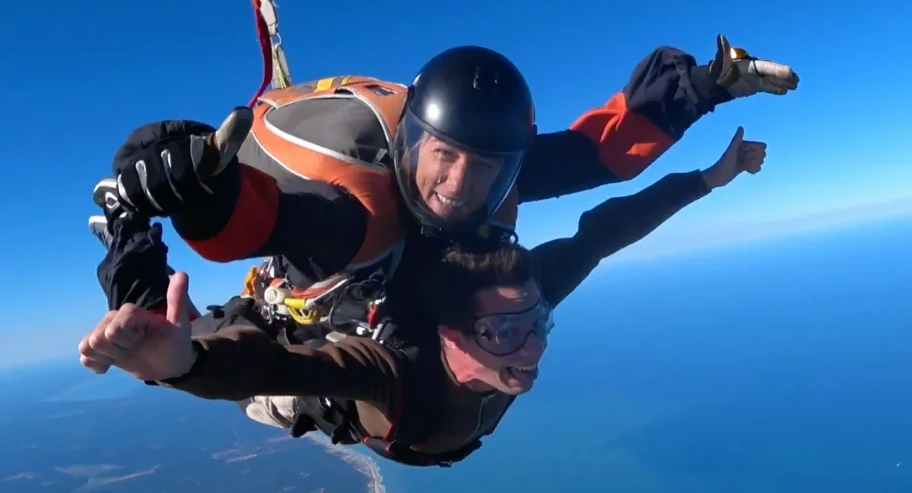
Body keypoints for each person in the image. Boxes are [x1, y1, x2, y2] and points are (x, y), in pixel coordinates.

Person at [81, 126, 766, 467]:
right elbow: (277, 368)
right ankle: (125, 230)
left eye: (535, 324)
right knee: (173, 329)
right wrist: (182, 368)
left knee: (180, 336)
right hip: (314, 379)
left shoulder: (519, 295)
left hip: (386, 343)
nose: (531, 348)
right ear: (447, 333)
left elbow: (604, 233)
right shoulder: (397, 373)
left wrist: (708, 177)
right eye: (503, 335)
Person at [95, 35, 797, 334]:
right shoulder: (355, 216)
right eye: (446, 157)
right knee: (177, 336)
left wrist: (708, 86)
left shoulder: (499, 172)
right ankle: (124, 240)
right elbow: (268, 219)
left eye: (487, 166)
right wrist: (189, 182)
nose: (460, 186)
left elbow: (600, 154)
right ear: (411, 144)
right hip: (322, 310)